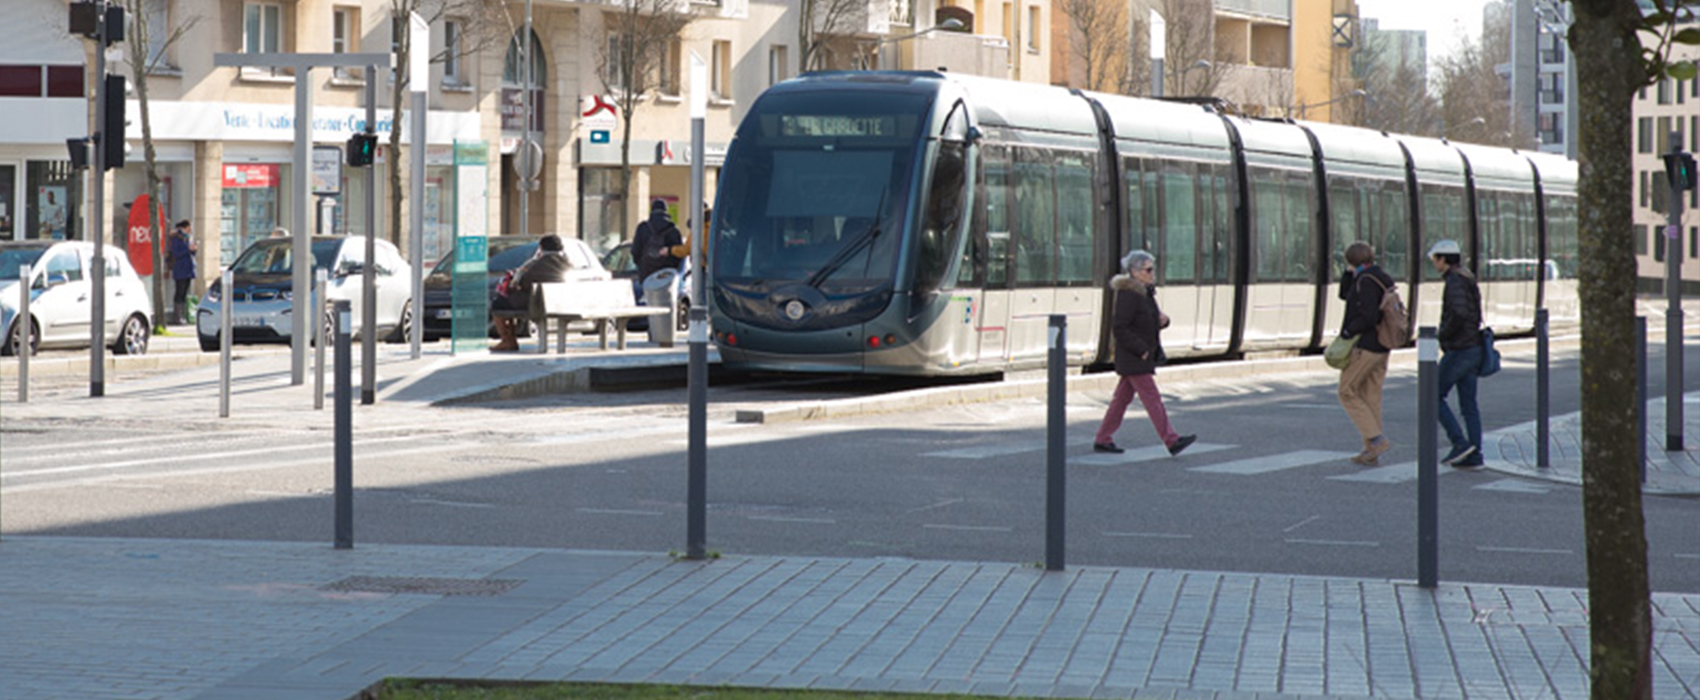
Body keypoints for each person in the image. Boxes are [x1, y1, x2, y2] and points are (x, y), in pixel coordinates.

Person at [1094, 250, 1196, 456]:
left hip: (1139, 355)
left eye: (1152, 269)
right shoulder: (1129, 294)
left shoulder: (1145, 292)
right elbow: (1120, 327)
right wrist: (1141, 349)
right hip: (1135, 356)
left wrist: (1163, 321)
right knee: (1152, 398)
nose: (1152, 273)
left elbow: (1147, 321)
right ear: (1135, 271)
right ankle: (1171, 440)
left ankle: (1102, 438)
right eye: (1148, 270)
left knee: (1121, 400)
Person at [1430, 239, 1486, 470]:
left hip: (1460, 348)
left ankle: (1459, 443)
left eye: (1435, 259)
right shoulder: (1466, 276)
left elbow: (1459, 313)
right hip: (1473, 347)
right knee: (1468, 404)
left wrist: (1443, 334)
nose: (1434, 264)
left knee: (1432, 396)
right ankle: (1474, 454)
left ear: (1443, 259)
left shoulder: (1454, 280)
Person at [1338, 241, 1395, 465]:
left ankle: (1376, 439)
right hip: (1382, 347)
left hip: (1367, 346)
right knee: (1370, 396)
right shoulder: (1378, 276)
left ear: (1352, 260)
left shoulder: (1366, 281)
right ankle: (1370, 450)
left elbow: (1369, 316)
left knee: (1347, 391)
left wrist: (1349, 330)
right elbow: (1346, 294)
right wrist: (1348, 273)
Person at [490, 234, 574, 352]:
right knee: (509, 301)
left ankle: (508, 340)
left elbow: (523, 283)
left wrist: (515, 282)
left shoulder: (539, 263)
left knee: (498, 303)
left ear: (542, 247)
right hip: (560, 304)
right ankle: (509, 340)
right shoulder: (567, 264)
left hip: (538, 304)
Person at [633, 199, 683, 283]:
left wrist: (642, 266)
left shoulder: (643, 228)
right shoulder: (673, 231)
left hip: (646, 274)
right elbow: (679, 254)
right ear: (666, 211)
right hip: (667, 275)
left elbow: (635, 251)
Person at [168, 219, 198, 325]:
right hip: (180, 269)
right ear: (184, 227)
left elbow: (190, 254)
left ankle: (183, 315)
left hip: (188, 269)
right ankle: (177, 316)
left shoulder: (188, 238)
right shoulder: (177, 238)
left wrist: (194, 250)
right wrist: (188, 250)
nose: (191, 229)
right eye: (189, 227)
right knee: (179, 292)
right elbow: (176, 253)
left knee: (185, 293)